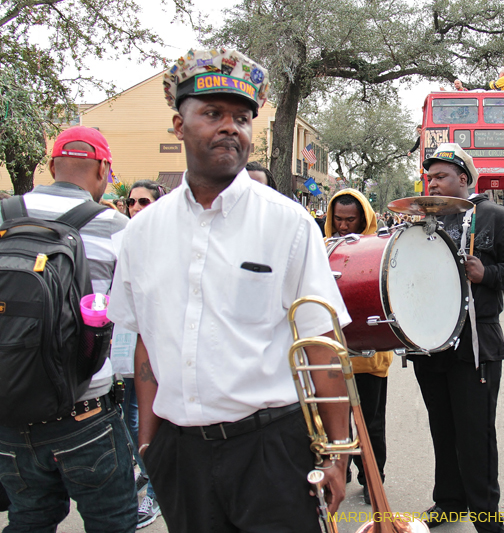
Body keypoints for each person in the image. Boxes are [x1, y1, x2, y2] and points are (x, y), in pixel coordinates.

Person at [106, 48, 352, 533]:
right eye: (212, 113)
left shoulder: (289, 225)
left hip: (271, 453)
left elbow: (323, 348)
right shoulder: (141, 233)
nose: (230, 128)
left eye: (241, 118)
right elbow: (146, 348)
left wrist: (338, 457)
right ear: (179, 125)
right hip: (181, 455)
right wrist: (150, 448)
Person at [0, 126, 135, 531]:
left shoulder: (5, 214)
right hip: (84, 411)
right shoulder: (116, 227)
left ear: (52, 164)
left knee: (28, 520)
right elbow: (133, 314)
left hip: (8, 410)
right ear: (104, 171)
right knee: (113, 522)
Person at [412, 143, 504, 532]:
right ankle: (449, 501)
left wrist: (489, 275)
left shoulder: (495, 217)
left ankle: (486, 518)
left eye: (441, 177)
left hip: (475, 345)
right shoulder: (422, 222)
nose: (432, 184)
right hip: (430, 345)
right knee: (442, 426)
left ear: (463, 179)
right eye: (429, 177)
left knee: (475, 433)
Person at [324, 189, 392, 505]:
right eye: (337, 219)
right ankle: (340, 471)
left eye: (351, 220)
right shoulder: (321, 249)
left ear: (363, 218)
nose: (343, 226)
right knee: (332, 423)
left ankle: (371, 479)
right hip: (332, 357)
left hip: (370, 359)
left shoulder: (380, 250)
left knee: (371, 424)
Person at [122, 179, 167, 527]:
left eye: (144, 201)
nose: (136, 207)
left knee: (144, 425)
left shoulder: (166, 245)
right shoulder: (124, 242)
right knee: (129, 423)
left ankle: (153, 494)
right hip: (125, 356)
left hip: (160, 361)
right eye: (132, 202)